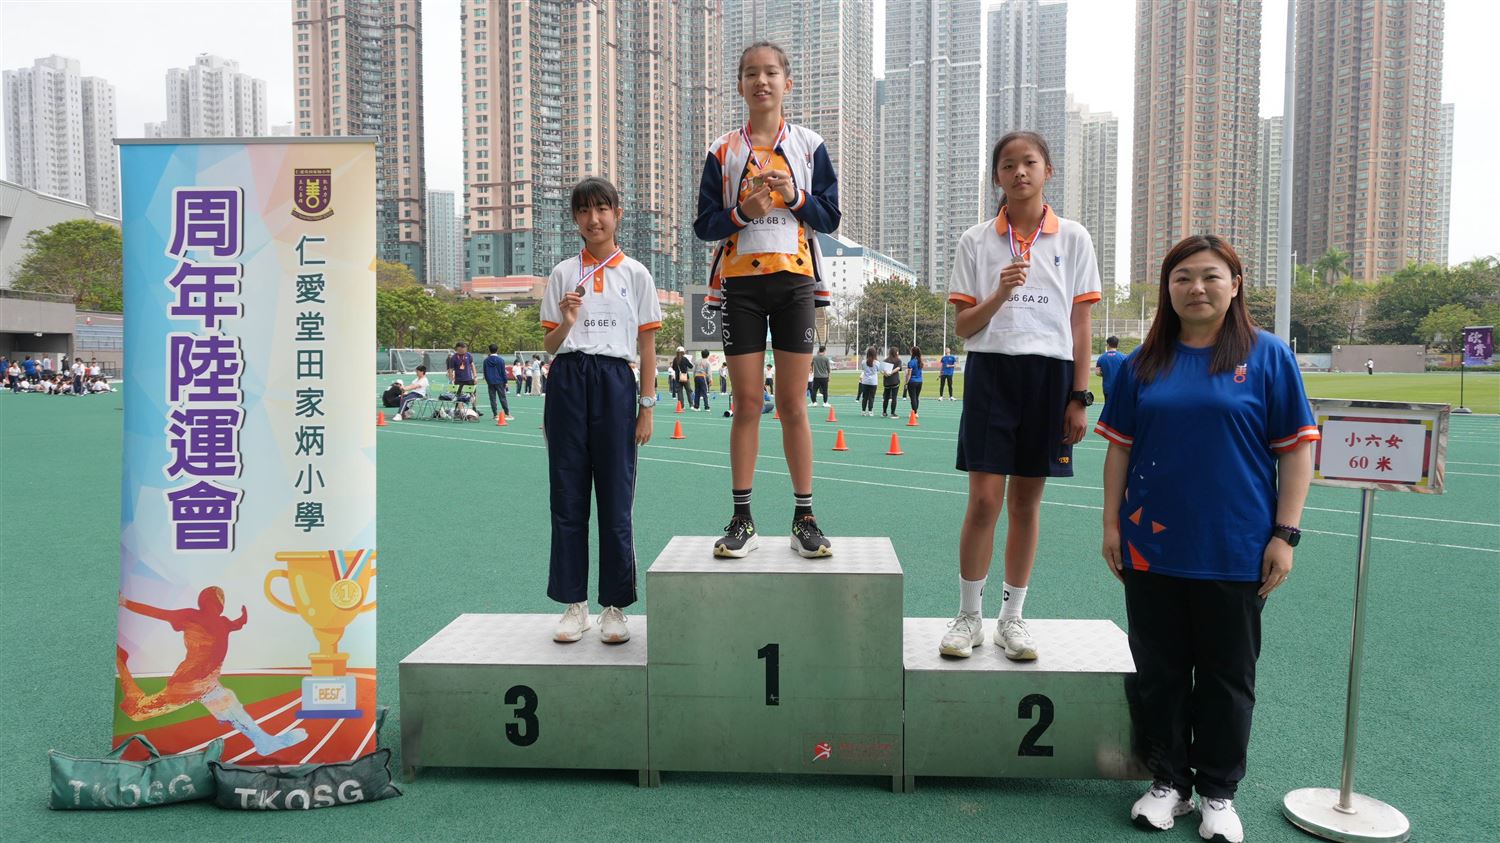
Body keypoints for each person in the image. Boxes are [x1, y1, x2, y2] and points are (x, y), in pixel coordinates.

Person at [1096, 235, 1317, 842]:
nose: (1196, 288)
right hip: (1151, 545)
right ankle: (1169, 782)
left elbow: (1296, 451)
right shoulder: (1143, 363)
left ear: (1235, 285)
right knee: (1159, 671)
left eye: (1210, 276)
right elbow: (1120, 451)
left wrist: (1285, 534)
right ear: (1167, 289)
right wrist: (1111, 524)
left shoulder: (1269, 356)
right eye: (1182, 277)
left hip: (1235, 547)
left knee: (1227, 677)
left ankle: (1219, 791)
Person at [940, 130, 1101, 661]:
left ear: (1048, 170)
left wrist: (1079, 396)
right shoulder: (976, 240)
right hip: (992, 373)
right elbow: (964, 326)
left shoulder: (1073, 237)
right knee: (984, 500)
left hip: (1050, 378)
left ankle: (1012, 619)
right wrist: (1001, 293)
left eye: (1029, 162)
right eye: (1008, 165)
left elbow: (1081, 324)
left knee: (1026, 504)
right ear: (997, 177)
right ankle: (969, 616)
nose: (1019, 172)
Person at [695, 40, 840, 560]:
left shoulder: (809, 144)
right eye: (751, 73)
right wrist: (744, 212)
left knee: (794, 404)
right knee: (748, 403)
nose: (762, 81)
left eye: (771, 72)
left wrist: (795, 196)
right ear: (739, 85)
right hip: (741, 287)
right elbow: (704, 225)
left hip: (796, 284)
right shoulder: (723, 150)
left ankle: (805, 516)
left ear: (787, 83)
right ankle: (742, 517)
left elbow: (830, 217)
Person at [540, 176, 661, 644]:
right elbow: (549, 345)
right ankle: (575, 604)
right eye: (585, 211)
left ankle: (615, 606)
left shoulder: (637, 274)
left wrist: (646, 406)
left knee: (615, 499)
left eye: (602, 209)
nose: (594, 219)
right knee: (567, 497)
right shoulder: (562, 273)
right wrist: (568, 320)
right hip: (568, 381)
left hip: (615, 383)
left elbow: (647, 347)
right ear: (575, 218)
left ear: (617, 213)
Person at [117, 587, 309, 756]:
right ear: (219, 603)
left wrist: (126, 602)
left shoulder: (201, 617)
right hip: (189, 685)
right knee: (137, 711)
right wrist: (243, 618)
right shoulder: (213, 620)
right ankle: (121, 662)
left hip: (204, 684)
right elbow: (158, 613)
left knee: (232, 708)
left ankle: (264, 742)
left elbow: (158, 613)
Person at [483, 343, 511, 419]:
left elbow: (485, 372)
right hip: (500, 381)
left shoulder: (486, 361)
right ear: (497, 350)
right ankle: (507, 413)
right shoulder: (501, 360)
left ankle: (495, 414)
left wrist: (488, 380)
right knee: (502, 397)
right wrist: (505, 382)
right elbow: (503, 372)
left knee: (492, 398)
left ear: (489, 350)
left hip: (490, 382)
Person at [446, 342, 477, 406]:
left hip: (469, 379)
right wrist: (451, 379)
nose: (464, 350)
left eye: (465, 349)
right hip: (459, 380)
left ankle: (474, 408)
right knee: (458, 395)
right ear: (458, 349)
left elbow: (472, 365)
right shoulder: (453, 358)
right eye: (463, 349)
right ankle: (460, 410)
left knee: (473, 394)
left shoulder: (468, 355)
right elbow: (451, 369)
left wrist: (475, 376)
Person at [1097, 335, 1126, 401]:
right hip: (1120, 387)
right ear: (1117, 345)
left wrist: (1106, 373)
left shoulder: (1102, 357)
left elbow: (1097, 372)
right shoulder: (1123, 357)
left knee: (1108, 406)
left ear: (1108, 345)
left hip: (1107, 388)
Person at [857, 347, 880, 416]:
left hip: (865, 381)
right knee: (871, 397)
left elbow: (863, 369)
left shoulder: (863, 362)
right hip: (873, 382)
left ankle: (863, 411)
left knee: (865, 397)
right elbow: (878, 370)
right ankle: (870, 411)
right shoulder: (877, 363)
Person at [881, 347, 902, 418]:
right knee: (894, 397)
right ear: (896, 352)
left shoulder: (886, 360)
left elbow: (881, 370)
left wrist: (885, 373)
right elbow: (898, 368)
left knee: (886, 397)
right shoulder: (898, 360)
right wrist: (892, 372)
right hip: (895, 380)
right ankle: (893, 413)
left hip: (887, 381)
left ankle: (884, 412)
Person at [906, 345, 925, 416]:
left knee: (913, 398)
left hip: (912, 381)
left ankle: (914, 412)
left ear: (912, 352)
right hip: (920, 381)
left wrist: (906, 383)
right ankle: (915, 411)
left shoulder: (911, 362)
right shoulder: (920, 362)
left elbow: (909, 374)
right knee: (916, 397)